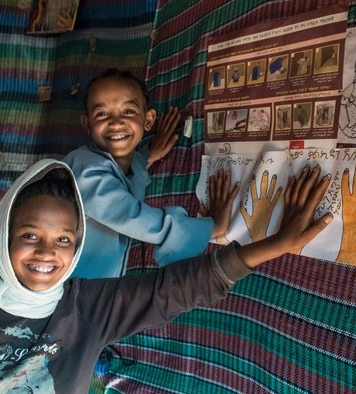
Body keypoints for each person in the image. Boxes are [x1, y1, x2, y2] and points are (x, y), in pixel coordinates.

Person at [0, 158, 332, 394]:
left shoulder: (85, 307)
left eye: (63, 240)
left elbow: (176, 288)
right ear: (2, 234)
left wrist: (274, 245)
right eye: (29, 235)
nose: (47, 253)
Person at [64, 68, 239, 279]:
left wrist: (148, 155)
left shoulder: (119, 165)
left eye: (128, 111)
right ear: (87, 125)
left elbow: (121, 178)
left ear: (148, 120)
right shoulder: (83, 168)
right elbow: (132, 217)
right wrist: (210, 228)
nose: (116, 122)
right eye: (102, 114)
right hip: (68, 292)